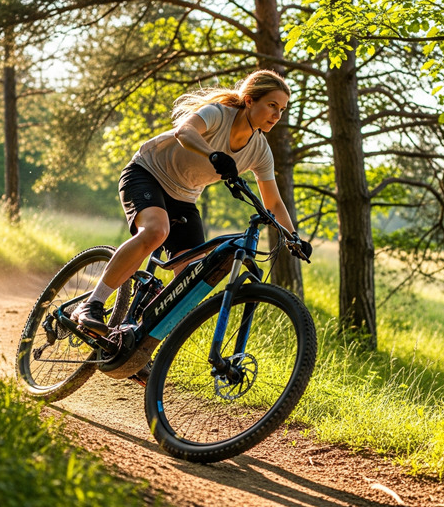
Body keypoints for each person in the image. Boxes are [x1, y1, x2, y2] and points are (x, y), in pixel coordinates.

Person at [72, 69, 311, 335]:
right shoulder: (218, 114)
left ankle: (137, 341)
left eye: (282, 109)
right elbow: (184, 132)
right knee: (156, 231)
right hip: (147, 172)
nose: (277, 116)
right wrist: (214, 155)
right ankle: (91, 304)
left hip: (184, 196)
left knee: (191, 279)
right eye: (272, 106)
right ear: (250, 100)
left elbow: (274, 203)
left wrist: (293, 238)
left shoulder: (260, 150)